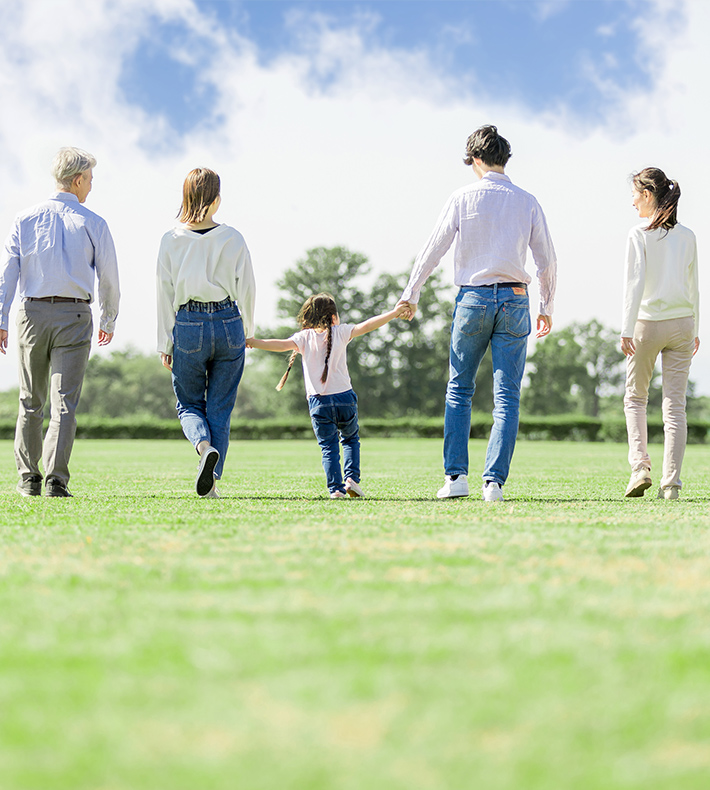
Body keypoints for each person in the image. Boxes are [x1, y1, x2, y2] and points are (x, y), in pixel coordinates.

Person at [397, 125, 557, 502]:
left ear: (476, 159)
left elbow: (432, 249)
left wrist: (411, 293)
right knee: (507, 397)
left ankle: (456, 478)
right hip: (516, 299)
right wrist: (548, 305)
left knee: (459, 390)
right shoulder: (527, 200)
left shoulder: (462, 197)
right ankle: (494, 484)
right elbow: (547, 260)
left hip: (472, 299)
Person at [0, 147, 120, 497]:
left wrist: (1, 318)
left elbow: (7, 275)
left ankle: (28, 478)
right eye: (91, 180)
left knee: (30, 401)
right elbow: (109, 278)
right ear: (79, 179)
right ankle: (55, 481)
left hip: (31, 316)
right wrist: (109, 319)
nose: (91, 187)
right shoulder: (93, 222)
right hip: (75, 314)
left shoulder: (24, 219)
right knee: (64, 403)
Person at [247, 294, 409, 499]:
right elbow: (368, 325)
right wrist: (394, 313)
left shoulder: (303, 337)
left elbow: (279, 344)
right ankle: (351, 479)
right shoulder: (341, 332)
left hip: (319, 402)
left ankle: (336, 489)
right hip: (344, 398)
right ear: (333, 317)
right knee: (350, 440)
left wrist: (253, 342)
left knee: (328, 447)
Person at [157, 168, 255, 499]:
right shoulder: (233, 237)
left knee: (188, 404)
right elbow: (248, 287)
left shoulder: (171, 239)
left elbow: (164, 293)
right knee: (220, 408)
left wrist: (164, 342)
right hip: (229, 320)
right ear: (216, 200)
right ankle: (211, 483)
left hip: (188, 323)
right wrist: (249, 330)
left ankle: (203, 448)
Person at [621, 167, 699, 500]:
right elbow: (695, 286)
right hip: (683, 323)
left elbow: (634, 284)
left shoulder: (638, 233)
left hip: (647, 323)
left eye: (636, 194)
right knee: (675, 406)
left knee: (636, 398)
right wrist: (695, 328)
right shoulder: (688, 235)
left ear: (648, 194)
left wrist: (626, 328)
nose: (632, 201)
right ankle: (672, 485)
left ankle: (640, 468)